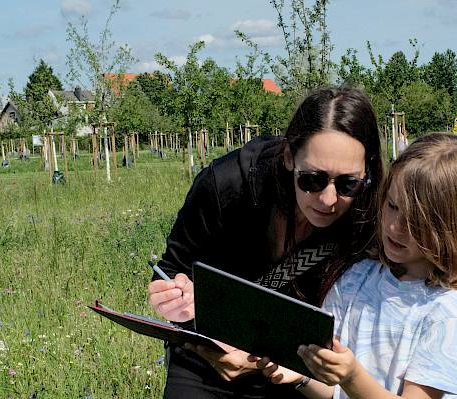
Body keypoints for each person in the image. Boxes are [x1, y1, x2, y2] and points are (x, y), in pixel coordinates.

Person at [147, 87, 385, 398]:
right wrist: (174, 301)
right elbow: (172, 269)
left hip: (296, 374)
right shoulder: (228, 186)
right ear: (289, 157)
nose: (328, 200)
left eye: (348, 183)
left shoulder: (371, 215)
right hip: (207, 360)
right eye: (312, 179)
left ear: (367, 172)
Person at [256, 133, 457, 399]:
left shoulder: (449, 314)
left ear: (453, 229)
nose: (395, 227)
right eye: (392, 205)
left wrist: (352, 377)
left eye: (415, 222)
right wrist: (303, 376)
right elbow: (332, 391)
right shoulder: (359, 275)